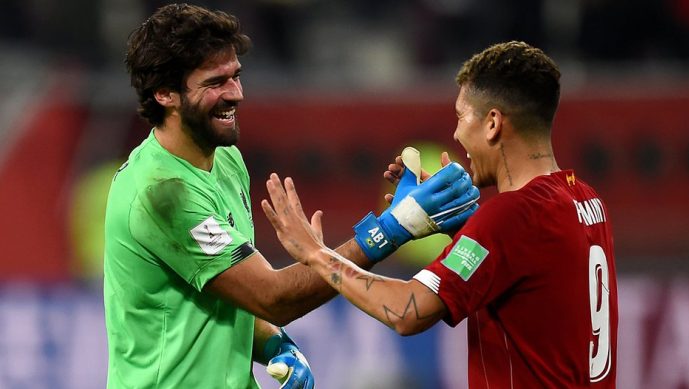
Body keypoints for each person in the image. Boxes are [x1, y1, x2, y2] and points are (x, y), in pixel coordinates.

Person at [103, 4, 480, 388]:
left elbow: (230, 292)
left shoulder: (225, 158)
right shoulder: (163, 193)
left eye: (236, 76)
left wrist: (276, 346)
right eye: (216, 83)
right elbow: (271, 296)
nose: (236, 94)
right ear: (165, 93)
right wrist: (392, 228)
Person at [262, 41, 618, 388]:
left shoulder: (511, 217)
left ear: (493, 123)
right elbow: (529, 280)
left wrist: (317, 255)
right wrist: (465, 225)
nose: (455, 132)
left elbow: (406, 311)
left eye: (461, 116)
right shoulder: (585, 199)